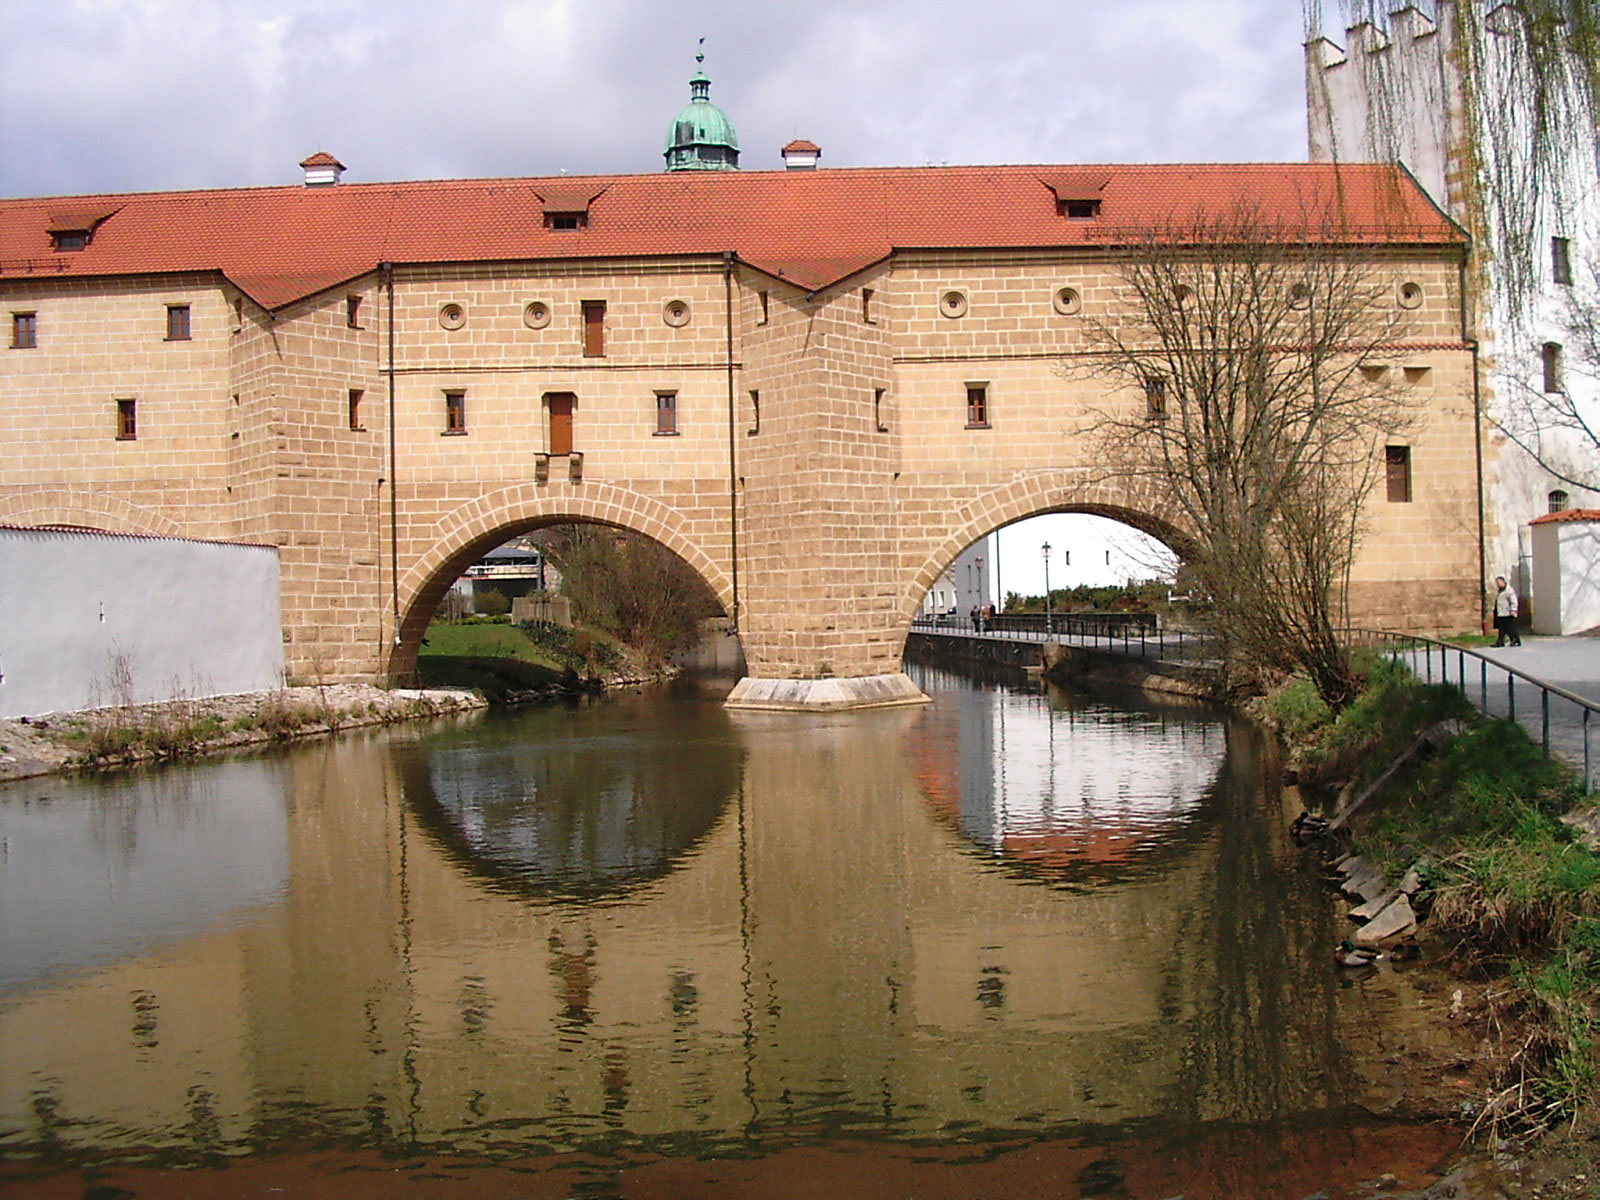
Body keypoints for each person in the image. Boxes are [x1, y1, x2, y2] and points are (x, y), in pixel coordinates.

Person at [1492, 575, 1522, 646]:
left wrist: (1513, 610)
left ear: (1504, 582)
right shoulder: (1500, 591)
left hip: (1508, 613)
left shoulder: (1509, 590)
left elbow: (1513, 601)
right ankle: (1500, 642)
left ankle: (1515, 640)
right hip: (1501, 613)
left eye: (1499, 582)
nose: (1498, 584)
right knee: (1502, 629)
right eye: (1497, 583)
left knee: (1511, 628)